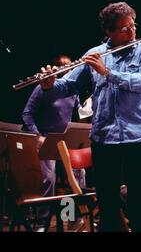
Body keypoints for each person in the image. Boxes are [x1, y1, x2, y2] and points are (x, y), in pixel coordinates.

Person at [38, 2, 141, 232]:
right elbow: (68, 85)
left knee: (139, 201)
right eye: (124, 29)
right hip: (104, 137)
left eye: (133, 25)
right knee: (108, 203)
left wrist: (107, 73)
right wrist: (50, 84)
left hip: (137, 135)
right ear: (109, 32)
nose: (132, 31)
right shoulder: (94, 54)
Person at [22, 54, 86, 230]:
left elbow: (75, 115)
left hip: (64, 140)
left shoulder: (73, 90)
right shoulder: (42, 88)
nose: (68, 70)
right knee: (48, 179)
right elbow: (27, 113)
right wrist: (37, 136)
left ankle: (73, 219)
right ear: (56, 69)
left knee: (78, 176)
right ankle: (41, 223)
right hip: (45, 138)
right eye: (64, 66)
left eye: (71, 67)